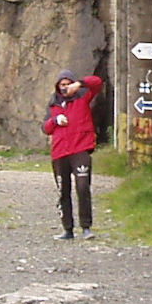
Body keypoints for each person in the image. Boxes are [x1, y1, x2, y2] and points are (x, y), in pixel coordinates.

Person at [42, 69, 102, 240]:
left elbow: (97, 82)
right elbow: (45, 128)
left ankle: (86, 227)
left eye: (68, 84)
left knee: (83, 187)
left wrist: (80, 84)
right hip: (60, 152)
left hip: (80, 148)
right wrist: (55, 120)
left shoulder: (83, 97)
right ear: (57, 86)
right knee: (63, 190)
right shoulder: (53, 104)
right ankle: (67, 229)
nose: (65, 88)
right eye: (62, 85)